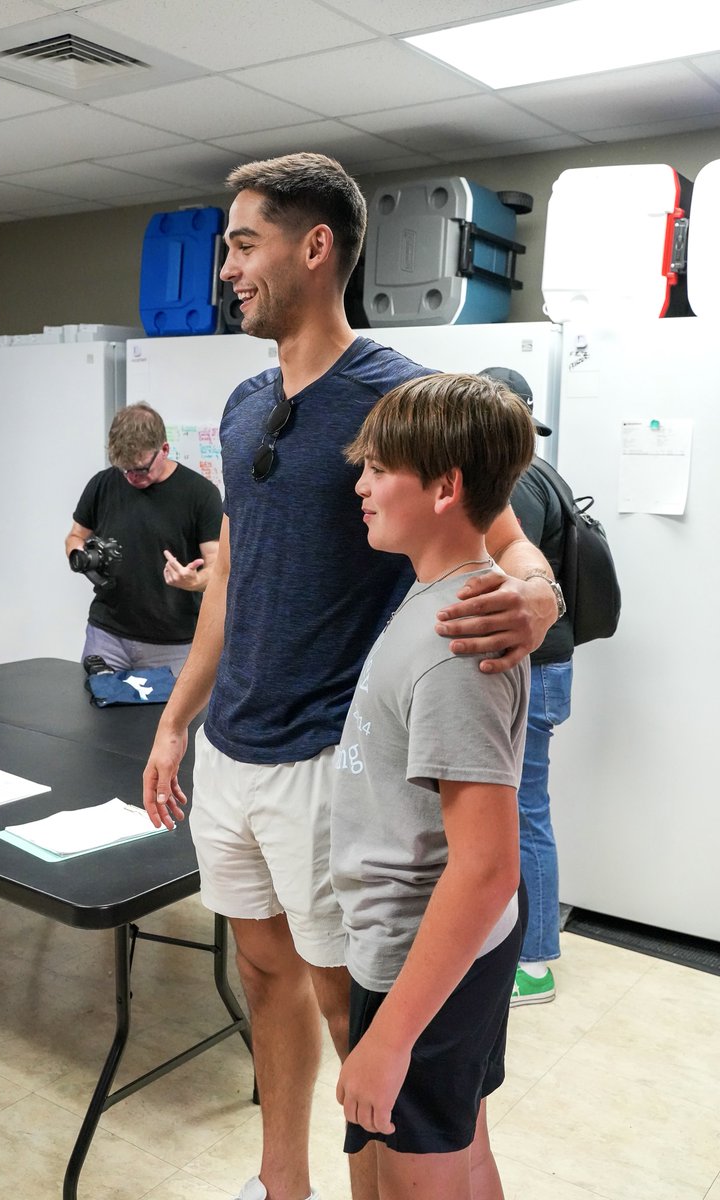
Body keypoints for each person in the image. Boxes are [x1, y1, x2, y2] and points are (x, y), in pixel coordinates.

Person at [142, 153, 562, 1200]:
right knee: (261, 973)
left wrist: (539, 599)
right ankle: (280, 1182)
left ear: (313, 247)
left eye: (242, 244)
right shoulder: (243, 405)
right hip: (233, 753)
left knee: (354, 1012)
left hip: (329, 764)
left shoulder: (396, 396)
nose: (224, 269)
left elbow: (508, 545)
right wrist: (175, 723)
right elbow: (234, 574)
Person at [332, 371, 535, 1200]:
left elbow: (487, 867)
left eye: (379, 468)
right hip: (425, 953)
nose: (361, 485)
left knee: (416, 1179)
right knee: (461, 1151)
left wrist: (390, 1039)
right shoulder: (435, 600)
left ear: (446, 487)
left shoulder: (456, 642)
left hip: (423, 959)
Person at [480, 368, 574, 1006]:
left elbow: (510, 576)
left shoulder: (518, 488)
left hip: (535, 669)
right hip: (551, 667)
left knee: (524, 814)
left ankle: (534, 961)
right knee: (523, 811)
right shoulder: (547, 474)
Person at [65, 403, 222, 676]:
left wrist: (194, 581)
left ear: (164, 450)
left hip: (173, 644)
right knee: (95, 717)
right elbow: (75, 535)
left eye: (140, 469)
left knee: (167, 720)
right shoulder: (102, 484)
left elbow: (219, 569)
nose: (131, 478)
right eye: (124, 470)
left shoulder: (200, 494)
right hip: (106, 637)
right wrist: (81, 557)